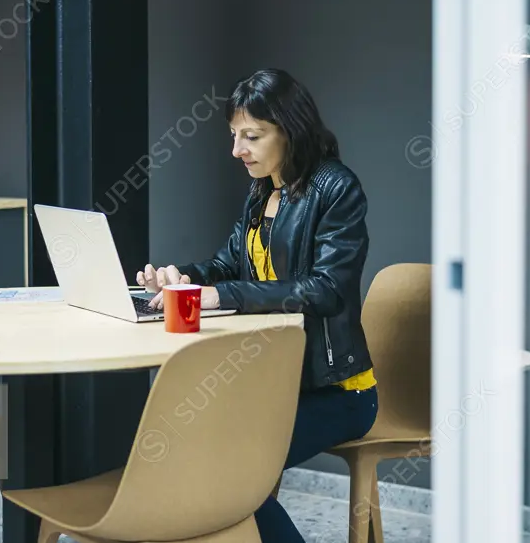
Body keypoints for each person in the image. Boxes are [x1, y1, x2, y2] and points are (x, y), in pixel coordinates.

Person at [136, 68, 378, 542]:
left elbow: (326, 289)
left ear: (290, 130)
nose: (237, 150)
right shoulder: (262, 191)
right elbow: (227, 263)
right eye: (233, 135)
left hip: (338, 392)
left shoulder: (336, 188)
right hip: (273, 385)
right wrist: (180, 278)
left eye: (252, 135)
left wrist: (219, 297)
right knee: (196, 454)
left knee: (231, 470)